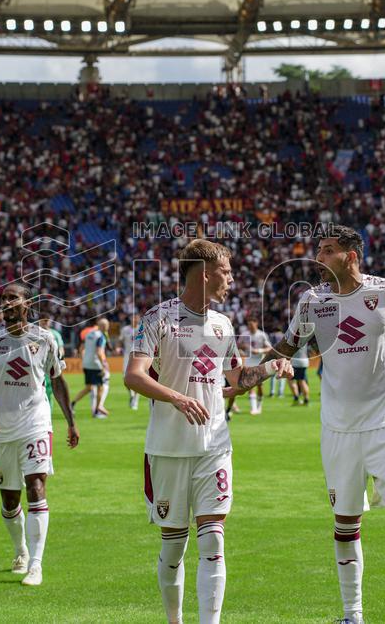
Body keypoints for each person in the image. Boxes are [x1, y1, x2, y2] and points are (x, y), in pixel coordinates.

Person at [262, 225, 385, 624]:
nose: (318, 258)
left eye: (327, 251)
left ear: (351, 256)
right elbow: (286, 347)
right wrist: (248, 374)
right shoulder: (311, 301)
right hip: (338, 429)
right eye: (318, 250)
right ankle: (352, 614)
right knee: (344, 521)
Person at [124, 239, 292, 624]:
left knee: (214, 539)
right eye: (226, 271)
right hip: (167, 448)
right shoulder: (158, 319)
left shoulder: (223, 324)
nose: (231, 279)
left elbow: (237, 378)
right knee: (173, 548)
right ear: (204, 272)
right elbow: (133, 376)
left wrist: (270, 367)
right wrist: (177, 398)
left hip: (214, 446)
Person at [0, 283, 79, 587]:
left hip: (36, 421)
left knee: (36, 485)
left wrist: (70, 421)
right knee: (9, 499)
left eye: (12, 298)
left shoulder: (44, 339)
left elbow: (57, 382)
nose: (5, 303)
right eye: (2, 298)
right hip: (1, 427)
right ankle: (20, 550)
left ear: (27, 303)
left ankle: (36, 563)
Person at [71, 318, 110, 417]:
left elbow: (81, 348)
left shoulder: (89, 334)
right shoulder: (101, 336)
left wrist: (84, 359)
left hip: (86, 363)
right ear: (105, 327)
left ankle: (72, 403)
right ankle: (97, 411)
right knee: (100, 387)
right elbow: (99, 352)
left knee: (89, 388)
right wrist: (103, 366)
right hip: (95, 364)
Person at [240, 318, 271, 415]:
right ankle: (253, 408)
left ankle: (259, 405)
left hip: (260, 362)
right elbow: (237, 345)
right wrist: (242, 347)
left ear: (256, 323)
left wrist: (259, 351)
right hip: (249, 362)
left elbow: (269, 348)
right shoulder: (244, 334)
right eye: (248, 324)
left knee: (260, 386)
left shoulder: (261, 335)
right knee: (250, 385)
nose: (250, 326)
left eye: (251, 324)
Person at [38, 316, 66, 408]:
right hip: (37, 366)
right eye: (43, 320)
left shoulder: (55, 334)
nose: (45, 323)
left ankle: (47, 412)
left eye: (47, 321)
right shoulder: (34, 333)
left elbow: (61, 349)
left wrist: (58, 359)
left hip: (50, 366)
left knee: (49, 391)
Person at [120, 315, 140, 410]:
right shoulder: (125, 329)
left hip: (138, 356)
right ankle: (132, 394)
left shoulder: (141, 328)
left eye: (136, 318)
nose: (134, 319)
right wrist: (117, 347)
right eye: (132, 318)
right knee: (125, 378)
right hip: (127, 356)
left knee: (137, 378)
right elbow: (120, 340)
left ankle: (135, 400)